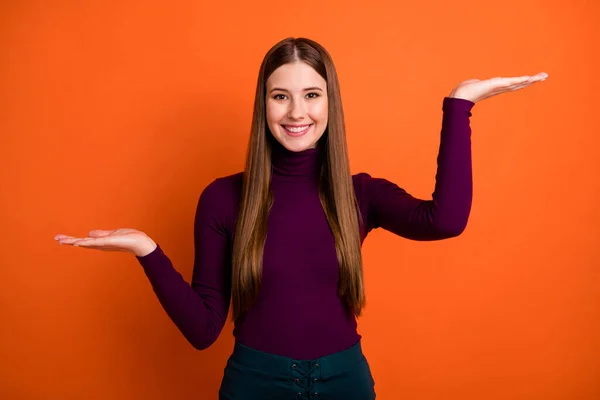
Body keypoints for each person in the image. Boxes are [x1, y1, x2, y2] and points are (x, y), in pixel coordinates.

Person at [55, 37, 548, 399]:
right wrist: (147, 251)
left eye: (312, 94)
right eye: (280, 95)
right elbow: (204, 330)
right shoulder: (224, 199)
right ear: (263, 105)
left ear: (330, 102)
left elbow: (445, 221)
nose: (297, 111)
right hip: (253, 383)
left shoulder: (359, 194)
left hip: (345, 383)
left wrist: (460, 104)